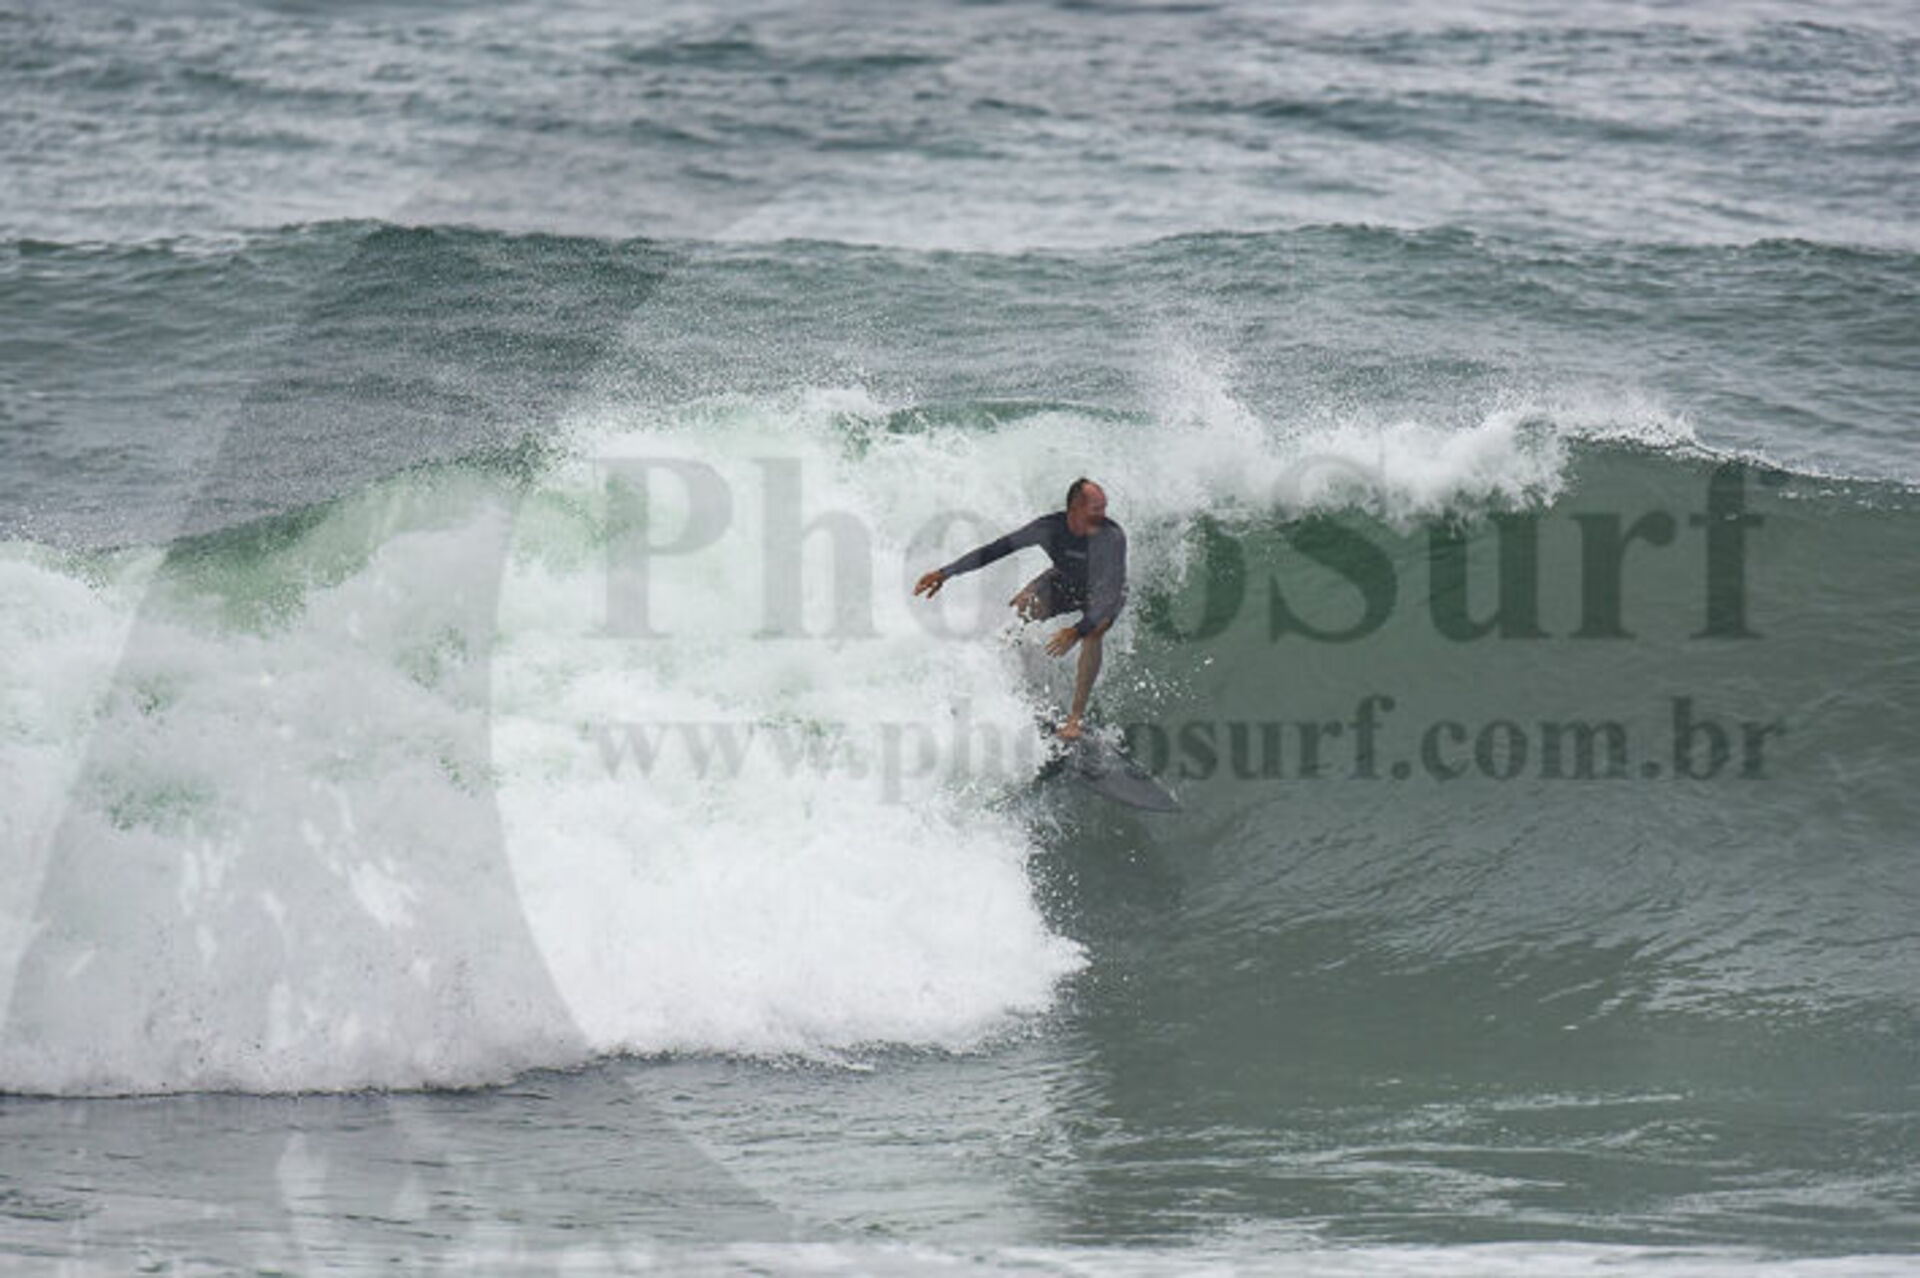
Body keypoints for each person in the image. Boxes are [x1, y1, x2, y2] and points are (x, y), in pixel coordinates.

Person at [913, 477, 1126, 741]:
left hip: (1104, 593)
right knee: (1018, 611)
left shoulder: (1112, 536)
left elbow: (1110, 594)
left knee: (1095, 630)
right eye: (1096, 509)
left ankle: (1075, 720)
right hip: (1066, 582)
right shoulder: (1049, 528)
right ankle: (1002, 684)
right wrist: (945, 573)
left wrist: (1076, 631)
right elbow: (996, 549)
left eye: (1104, 508)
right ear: (1075, 509)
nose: (1103, 516)